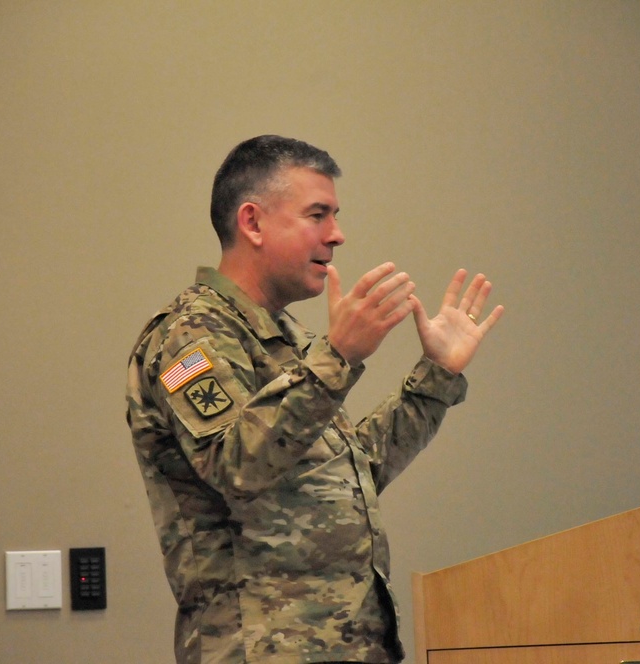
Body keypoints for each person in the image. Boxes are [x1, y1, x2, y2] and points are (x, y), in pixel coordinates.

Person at [126, 135, 503, 664]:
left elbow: (355, 470)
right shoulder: (188, 338)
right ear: (252, 222)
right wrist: (338, 358)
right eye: (317, 215)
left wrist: (435, 377)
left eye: (335, 216)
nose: (338, 235)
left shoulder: (289, 340)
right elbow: (236, 466)